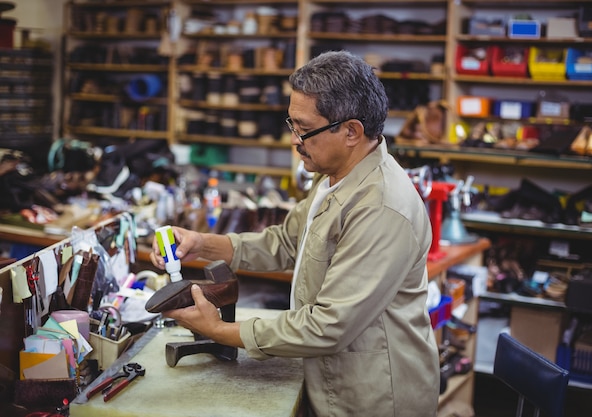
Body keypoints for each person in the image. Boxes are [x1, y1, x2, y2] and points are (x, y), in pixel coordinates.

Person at [150, 50, 439, 417]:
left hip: (373, 398)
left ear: (351, 131)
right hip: (331, 380)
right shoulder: (335, 176)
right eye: (292, 125)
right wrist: (201, 243)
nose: (294, 140)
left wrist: (221, 331)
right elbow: (286, 242)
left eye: (305, 130)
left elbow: (328, 326)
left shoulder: (381, 208)